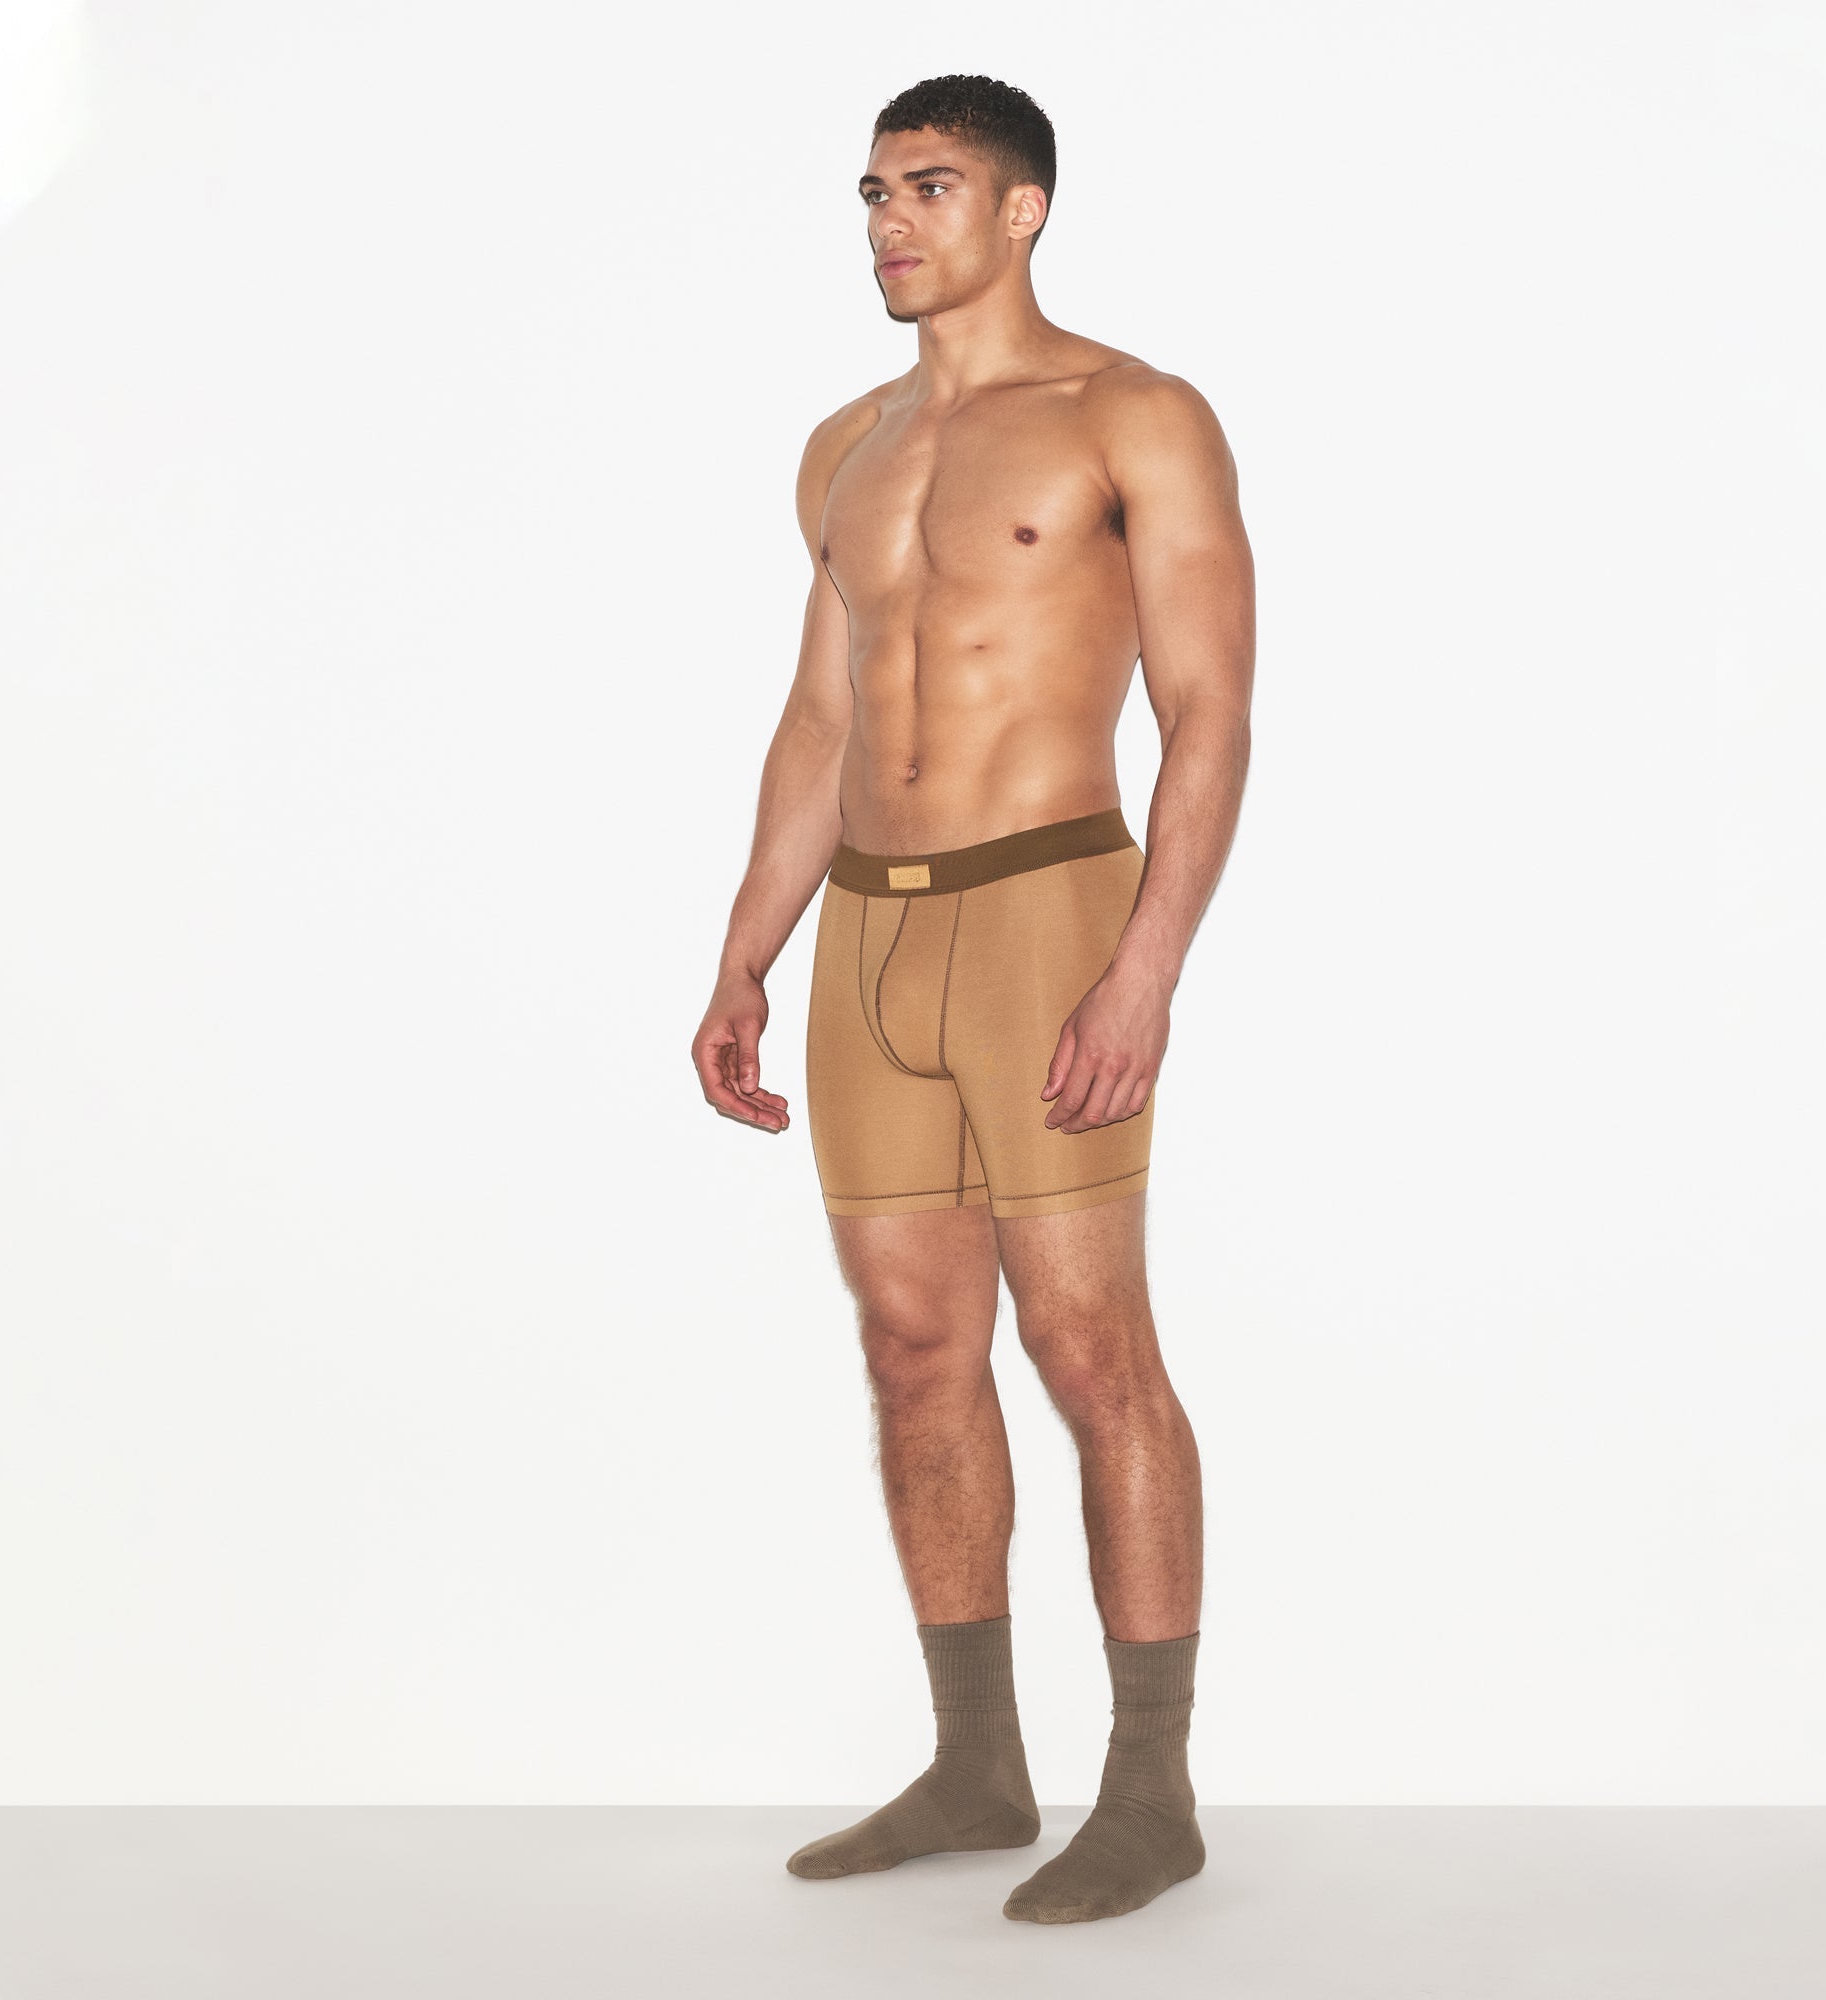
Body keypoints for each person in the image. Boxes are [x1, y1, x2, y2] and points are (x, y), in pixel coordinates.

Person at [691, 73, 1254, 1925]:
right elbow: (820, 718)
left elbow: (1209, 711)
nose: (889, 224)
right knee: (913, 1346)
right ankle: (976, 1763)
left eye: (928, 189)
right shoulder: (845, 447)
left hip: (1047, 910)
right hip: (870, 930)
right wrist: (746, 952)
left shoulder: (1132, 415)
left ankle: (1151, 1792)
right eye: (872, 193)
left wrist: (1145, 967)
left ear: (1024, 210)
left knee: (1091, 1351)